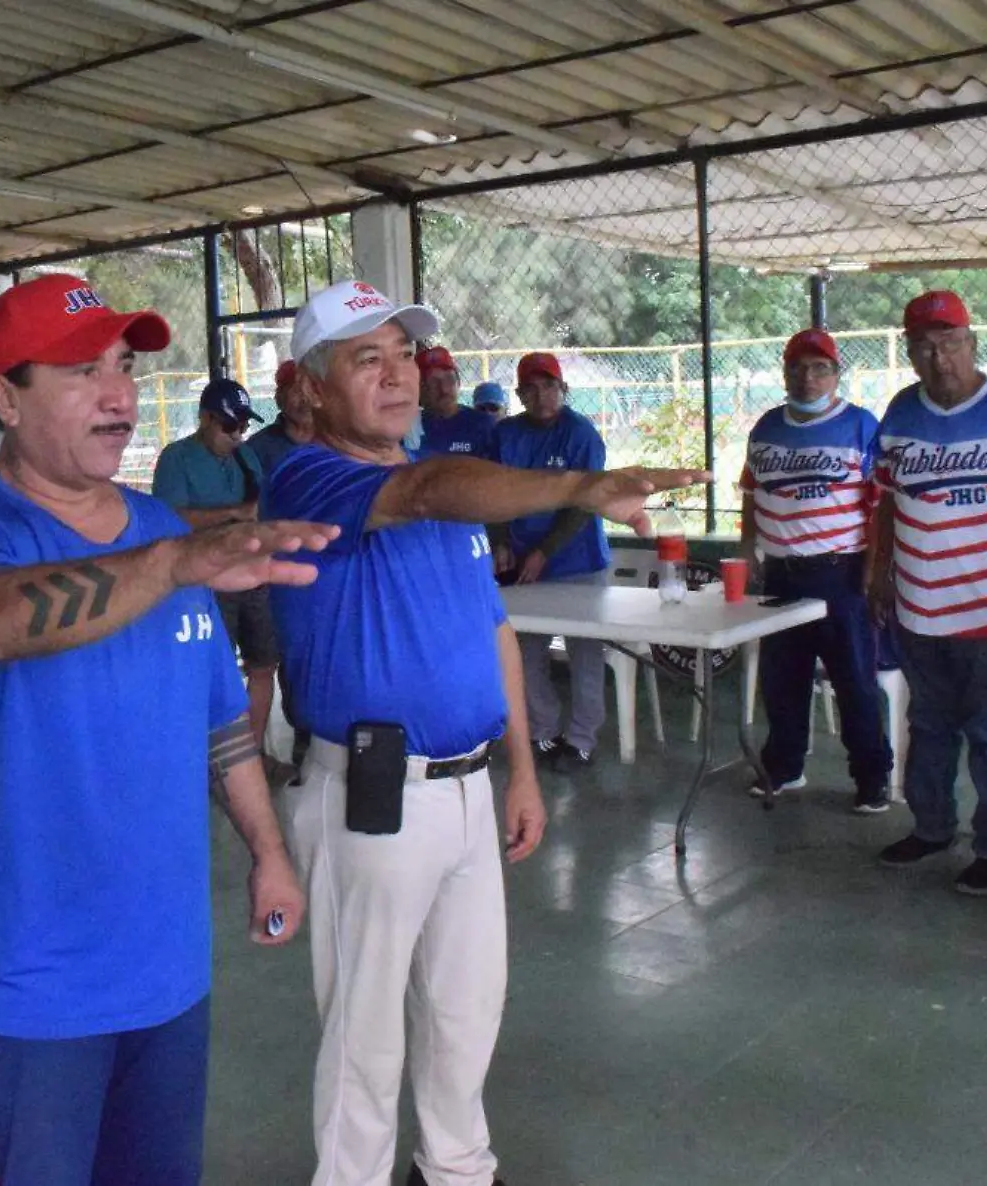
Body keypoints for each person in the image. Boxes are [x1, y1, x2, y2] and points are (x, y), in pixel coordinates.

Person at [0, 273, 330, 1186]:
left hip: (165, 966)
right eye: (82, 370)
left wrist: (269, 850)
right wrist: (175, 563)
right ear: (5, 399)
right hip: (26, 983)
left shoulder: (162, 530)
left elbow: (218, 717)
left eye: (125, 366)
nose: (121, 394)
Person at [265, 278, 703, 1186]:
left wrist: (521, 774)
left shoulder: (438, 490)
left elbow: (494, 630)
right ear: (310, 388)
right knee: (365, 1031)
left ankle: (458, 1170)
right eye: (366, 358)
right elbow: (421, 491)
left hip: (463, 788)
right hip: (369, 795)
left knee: (466, 1007)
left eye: (405, 354)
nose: (397, 376)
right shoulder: (310, 478)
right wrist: (582, 483)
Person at [869, 290, 987, 895]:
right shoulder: (901, 412)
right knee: (927, 724)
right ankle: (931, 829)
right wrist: (881, 573)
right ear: (910, 352)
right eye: (924, 346)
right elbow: (888, 499)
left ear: (972, 343)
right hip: (920, 603)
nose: (939, 358)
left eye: (949, 343)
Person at [739, 329, 893, 812]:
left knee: (854, 682)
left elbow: (880, 506)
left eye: (820, 368)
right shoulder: (766, 428)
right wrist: (750, 552)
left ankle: (871, 777)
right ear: (785, 374)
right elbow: (750, 495)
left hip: (841, 573)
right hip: (781, 572)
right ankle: (784, 766)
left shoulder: (861, 426)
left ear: (836, 374)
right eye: (798, 368)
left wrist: (872, 570)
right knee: (783, 678)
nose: (808, 378)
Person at [493, 352, 613, 767]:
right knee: (525, 650)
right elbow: (493, 491)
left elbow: (585, 503)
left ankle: (581, 739)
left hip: (578, 563)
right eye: (531, 388)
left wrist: (545, 551)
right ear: (520, 394)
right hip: (525, 564)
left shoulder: (581, 434)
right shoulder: (506, 434)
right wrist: (501, 539)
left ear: (564, 389)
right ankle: (542, 732)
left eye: (550, 386)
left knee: (585, 653)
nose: (541, 395)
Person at [154, 377, 280, 749]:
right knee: (210, 673)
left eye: (243, 426)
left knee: (264, 665)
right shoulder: (177, 459)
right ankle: (211, 761)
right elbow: (171, 517)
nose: (237, 434)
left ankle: (252, 755)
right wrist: (236, 513)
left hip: (252, 574)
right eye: (229, 426)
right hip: (205, 582)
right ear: (205, 418)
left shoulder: (246, 457)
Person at [416, 346, 497, 457]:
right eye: (433, 382)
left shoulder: (482, 425)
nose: (444, 389)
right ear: (419, 389)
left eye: (449, 379)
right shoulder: (408, 428)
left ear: (458, 383)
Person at [247, 359, 315, 476]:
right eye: (297, 391)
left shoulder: (342, 442)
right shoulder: (256, 449)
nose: (305, 399)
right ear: (279, 398)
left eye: (312, 390)